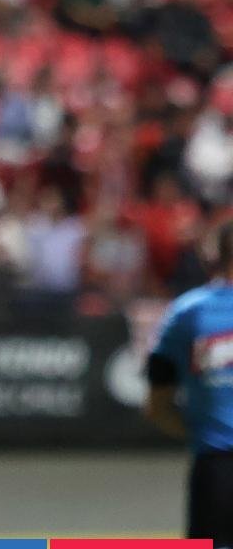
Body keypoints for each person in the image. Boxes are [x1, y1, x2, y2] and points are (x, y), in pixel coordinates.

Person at [145, 220, 233, 548]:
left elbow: (158, 403)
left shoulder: (187, 313)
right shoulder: (188, 313)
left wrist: (200, 431)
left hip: (215, 470)